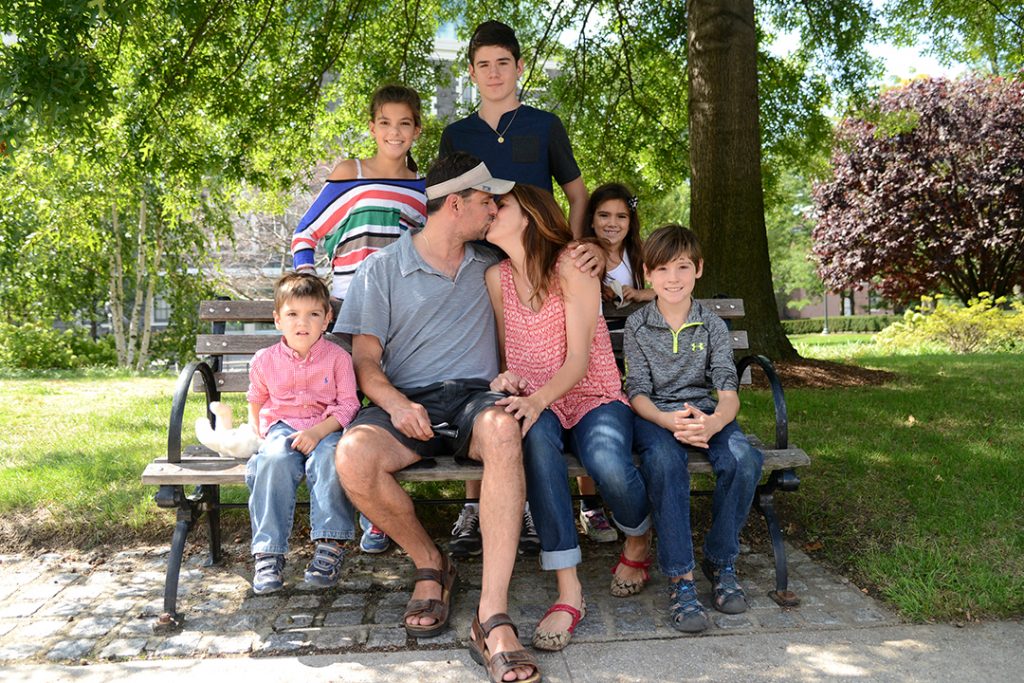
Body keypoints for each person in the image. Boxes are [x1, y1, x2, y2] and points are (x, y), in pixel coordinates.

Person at [334, 153, 540, 683]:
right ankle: (431, 562)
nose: (494, 209)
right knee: (353, 456)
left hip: (475, 399)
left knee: (502, 429)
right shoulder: (382, 270)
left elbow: (550, 267)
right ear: (456, 204)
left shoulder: (490, 265)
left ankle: (491, 615)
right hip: (408, 402)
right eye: (486, 201)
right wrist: (397, 404)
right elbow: (364, 361)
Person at [441, 22, 604, 554]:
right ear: (471, 72)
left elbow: (577, 193)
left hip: (537, 263)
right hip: (475, 268)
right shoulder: (456, 134)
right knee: (484, 374)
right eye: (483, 64)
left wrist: (575, 247)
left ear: (519, 68)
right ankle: (474, 505)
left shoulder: (544, 126)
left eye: (503, 63)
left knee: (540, 367)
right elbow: (444, 201)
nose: (493, 73)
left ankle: (549, 504)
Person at [483, 184, 654, 653]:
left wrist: (538, 399)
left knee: (608, 464)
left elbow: (579, 359)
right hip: (536, 402)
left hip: (593, 392)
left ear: (531, 214)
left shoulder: (573, 266)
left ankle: (638, 536)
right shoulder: (496, 277)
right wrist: (509, 382)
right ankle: (568, 591)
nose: (491, 211)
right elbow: (505, 350)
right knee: (536, 443)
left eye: (502, 204)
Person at [291, 83, 428, 554]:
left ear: (417, 129)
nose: (394, 132)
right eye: (385, 122)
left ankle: (380, 510)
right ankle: (369, 515)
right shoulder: (349, 173)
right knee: (351, 405)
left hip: (403, 316)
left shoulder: (424, 189)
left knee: (386, 408)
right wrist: (313, 292)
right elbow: (304, 235)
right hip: (350, 310)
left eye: (405, 123)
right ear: (372, 127)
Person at [623, 224, 764, 633]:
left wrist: (714, 422)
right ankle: (681, 578)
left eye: (682, 268)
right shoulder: (638, 326)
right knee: (666, 464)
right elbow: (637, 391)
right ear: (648, 274)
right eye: (663, 269)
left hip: (706, 413)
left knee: (743, 458)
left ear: (698, 269)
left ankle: (720, 561)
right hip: (656, 418)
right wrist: (667, 420)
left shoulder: (712, 326)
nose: (673, 279)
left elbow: (727, 386)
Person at [245, 272, 362, 594]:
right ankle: (268, 551)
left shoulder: (338, 358)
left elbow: (349, 405)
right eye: (293, 314)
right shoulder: (264, 360)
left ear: (327, 319)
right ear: (278, 320)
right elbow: (256, 400)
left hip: (326, 426)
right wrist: (258, 436)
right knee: (272, 461)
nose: (303, 322)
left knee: (329, 460)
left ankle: (330, 543)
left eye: (313, 314)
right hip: (282, 427)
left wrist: (319, 431)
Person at [582, 182, 656, 306]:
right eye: (604, 215)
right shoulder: (583, 257)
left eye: (621, 216)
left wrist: (640, 294)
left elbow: (672, 289)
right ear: (592, 221)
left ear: (630, 223)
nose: (612, 223)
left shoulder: (639, 251)